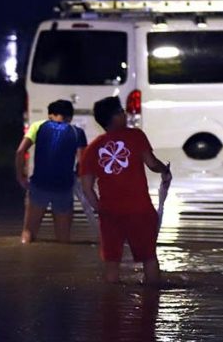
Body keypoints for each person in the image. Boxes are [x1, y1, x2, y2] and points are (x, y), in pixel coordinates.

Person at [79, 96, 172, 285]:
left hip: (110, 213)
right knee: (149, 258)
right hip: (140, 210)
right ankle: (152, 304)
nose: (125, 114)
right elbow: (152, 163)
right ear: (115, 117)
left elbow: (86, 187)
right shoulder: (135, 136)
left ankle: (111, 307)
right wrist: (165, 171)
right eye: (121, 111)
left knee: (112, 264)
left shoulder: (92, 149)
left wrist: (100, 209)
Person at [15, 100, 87, 243]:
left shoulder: (38, 126)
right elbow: (83, 162)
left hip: (39, 185)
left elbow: (20, 151)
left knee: (28, 233)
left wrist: (21, 176)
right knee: (63, 239)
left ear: (50, 115)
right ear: (70, 117)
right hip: (63, 187)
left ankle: (25, 258)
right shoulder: (77, 132)